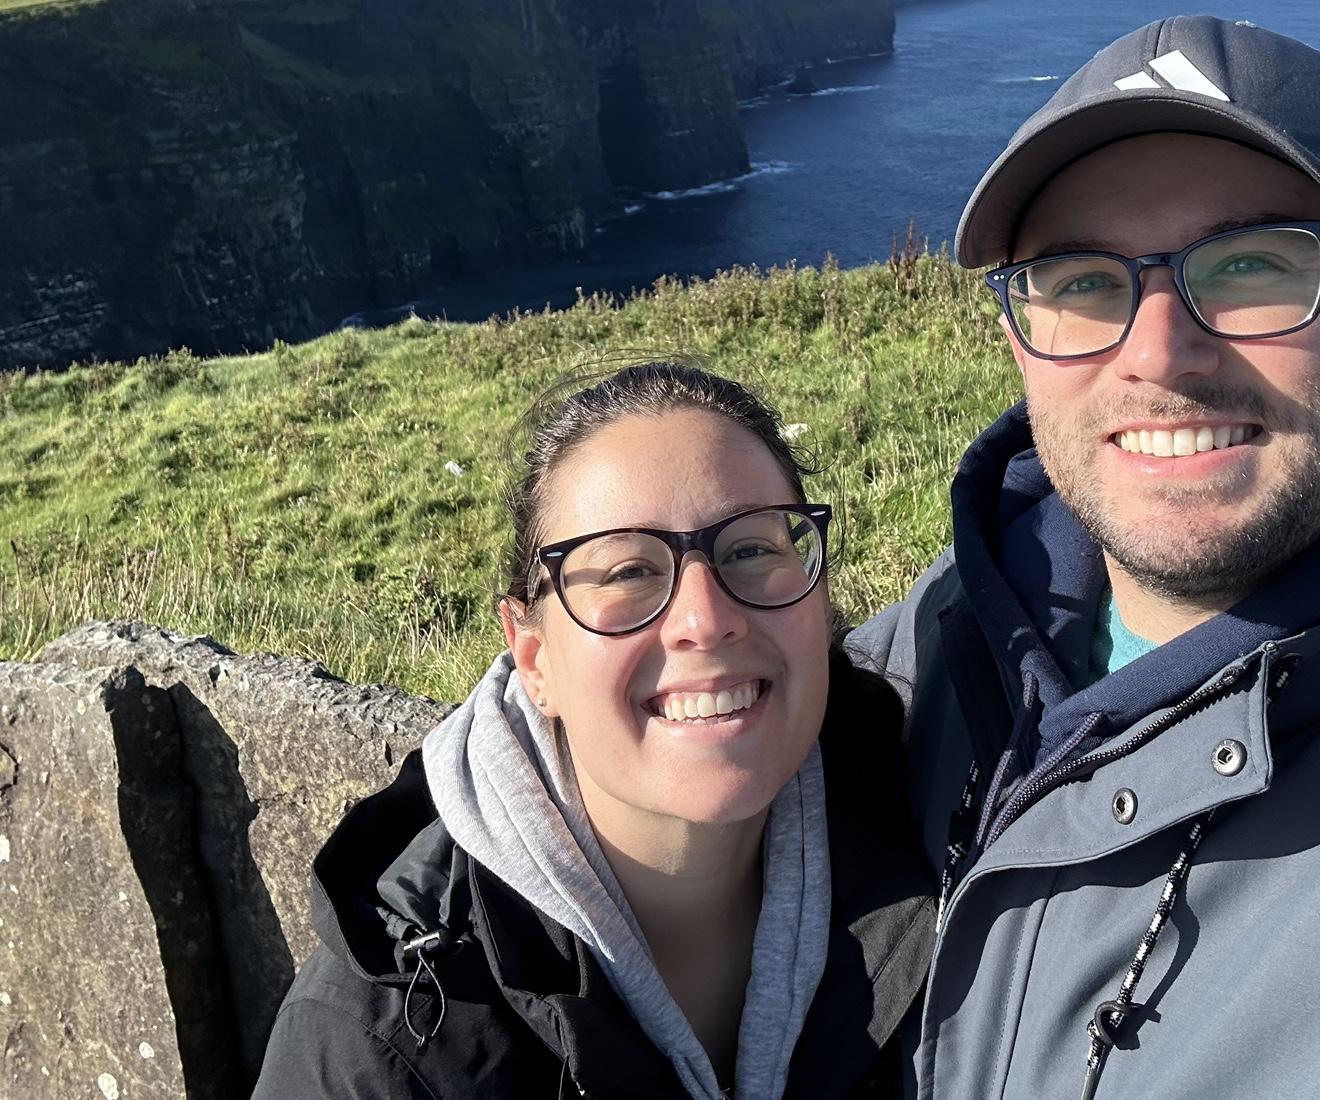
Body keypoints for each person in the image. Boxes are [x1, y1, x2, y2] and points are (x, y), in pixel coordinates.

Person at [854, 15, 1320, 1099]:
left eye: (1255, 265)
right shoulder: (971, 614)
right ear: (1020, 338)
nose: (1158, 352)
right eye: (1083, 281)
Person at [254, 362, 934, 1100]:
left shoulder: (937, 835)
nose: (706, 620)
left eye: (752, 549)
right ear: (534, 657)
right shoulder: (378, 1050)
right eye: (626, 572)